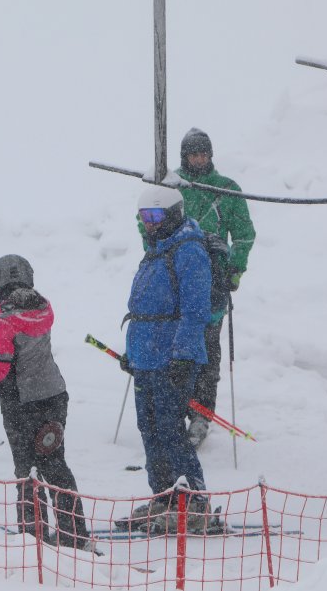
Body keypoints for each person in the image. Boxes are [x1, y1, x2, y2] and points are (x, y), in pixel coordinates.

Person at [0, 255, 93, 551]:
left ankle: (33, 536)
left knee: (27, 470)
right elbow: (5, 307)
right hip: (54, 398)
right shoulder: (43, 308)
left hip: (21, 405)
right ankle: (73, 535)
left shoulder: (3, 326)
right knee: (55, 464)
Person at [140, 128, 256, 446]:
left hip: (213, 286)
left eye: (203, 153)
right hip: (173, 283)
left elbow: (245, 234)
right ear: (183, 156)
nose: (199, 159)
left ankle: (202, 415)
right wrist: (156, 247)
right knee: (171, 348)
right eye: (193, 154)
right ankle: (173, 408)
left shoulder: (227, 190)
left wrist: (233, 267)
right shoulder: (170, 187)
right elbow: (146, 221)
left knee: (206, 351)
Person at [121, 186, 213, 531]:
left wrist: (184, 355)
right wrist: (132, 353)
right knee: (150, 429)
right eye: (144, 217)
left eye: (155, 217)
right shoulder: (157, 250)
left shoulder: (188, 250)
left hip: (171, 357)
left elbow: (195, 310)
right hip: (147, 357)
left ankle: (194, 499)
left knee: (170, 430)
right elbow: (144, 307)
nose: (149, 224)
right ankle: (164, 496)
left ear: (172, 214)